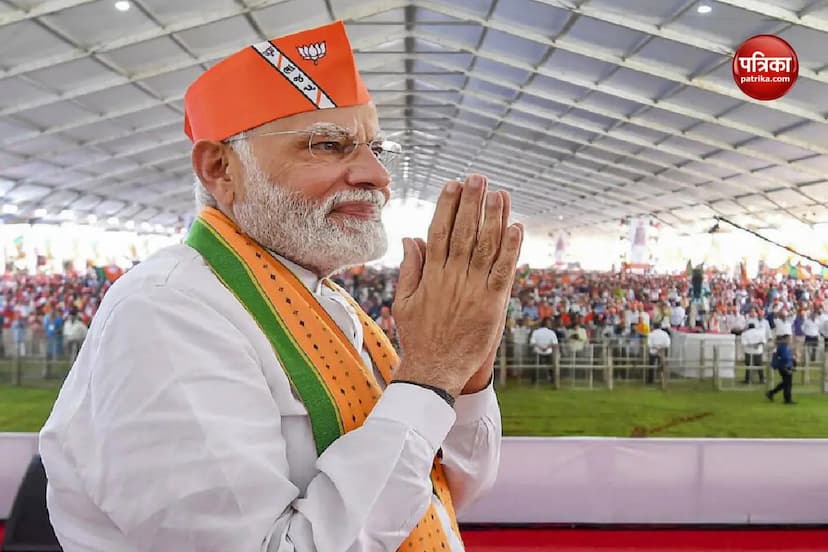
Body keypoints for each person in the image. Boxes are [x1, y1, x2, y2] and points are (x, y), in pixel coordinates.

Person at [38, 21, 523, 552]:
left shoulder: (330, 306)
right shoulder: (164, 311)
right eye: (329, 144)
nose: (377, 176)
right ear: (220, 167)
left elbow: (438, 494)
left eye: (375, 148)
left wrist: (465, 373)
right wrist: (428, 377)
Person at [767, 331, 796, 404]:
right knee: (788, 383)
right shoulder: (783, 347)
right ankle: (787, 399)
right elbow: (785, 357)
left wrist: (792, 362)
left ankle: (771, 393)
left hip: (785, 366)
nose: (790, 340)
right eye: (788, 339)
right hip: (784, 366)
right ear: (784, 339)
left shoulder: (785, 347)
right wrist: (790, 363)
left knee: (785, 383)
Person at [646, 320, 671, 384]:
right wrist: (661, 347)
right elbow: (668, 343)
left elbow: (649, 344)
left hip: (653, 352)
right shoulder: (665, 334)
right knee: (662, 366)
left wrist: (656, 347)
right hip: (662, 351)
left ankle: (650, 380)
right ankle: (662, 380)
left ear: (653, 326)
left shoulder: (651, 334)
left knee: (651, 366)